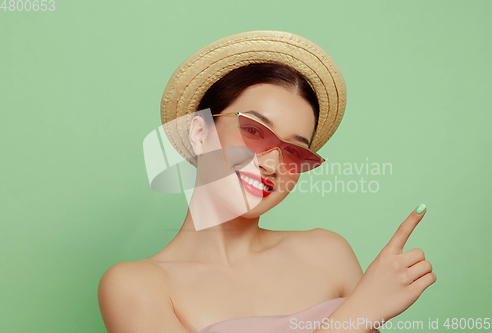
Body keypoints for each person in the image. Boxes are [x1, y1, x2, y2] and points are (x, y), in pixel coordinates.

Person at [98, 31, 436, 333]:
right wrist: (359, 312)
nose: (273, 163)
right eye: (254, 131)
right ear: (200, 133)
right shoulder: (136, 286)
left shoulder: (328, 254)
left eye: (292, 150)